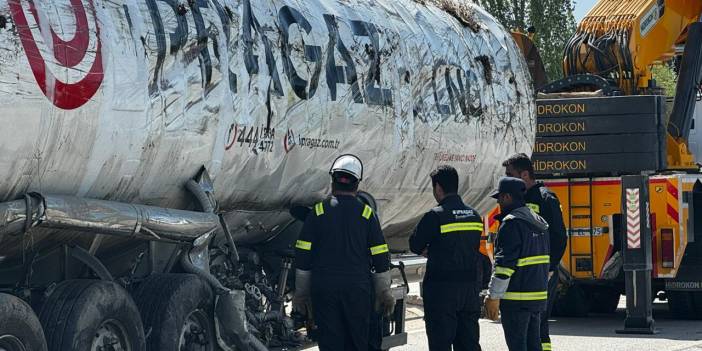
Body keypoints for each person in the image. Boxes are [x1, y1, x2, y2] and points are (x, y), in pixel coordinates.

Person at [293, 154, 395, 351]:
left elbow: (303, 257)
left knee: (331, 344)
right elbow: (381, 256)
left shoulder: (318, 212)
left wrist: (301, 294)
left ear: (333, 182)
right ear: (357, 186)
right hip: (357, 291)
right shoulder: (367, 214)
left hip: (325, 290)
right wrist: (384, 292)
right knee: (358, 343)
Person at [409, 165, 483, 351]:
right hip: (469, 290)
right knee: (469, 343)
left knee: (440, 343)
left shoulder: (435, 216)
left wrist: (430, 249)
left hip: (442, 291)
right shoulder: (474, 216)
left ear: (438, 188)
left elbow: (415, 244)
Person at [503, 153, 567, 351]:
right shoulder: (518, 199)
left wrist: (550, 267)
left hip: (542, 272)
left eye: (509, 174)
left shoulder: (545, 198)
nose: (505, 177)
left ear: (524, 175)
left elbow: (559, 237)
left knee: (539, 324)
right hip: (523, 274)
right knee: (531, 327)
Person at [484, 177, 550, 351]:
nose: (498, 202)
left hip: (516, 300)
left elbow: (504, 267)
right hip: (537, 298)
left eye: (499, 198)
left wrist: (493, 296)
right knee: (534, 346)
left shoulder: (511, 224)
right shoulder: (539, 223)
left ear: (507, 197)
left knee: (518, 346)